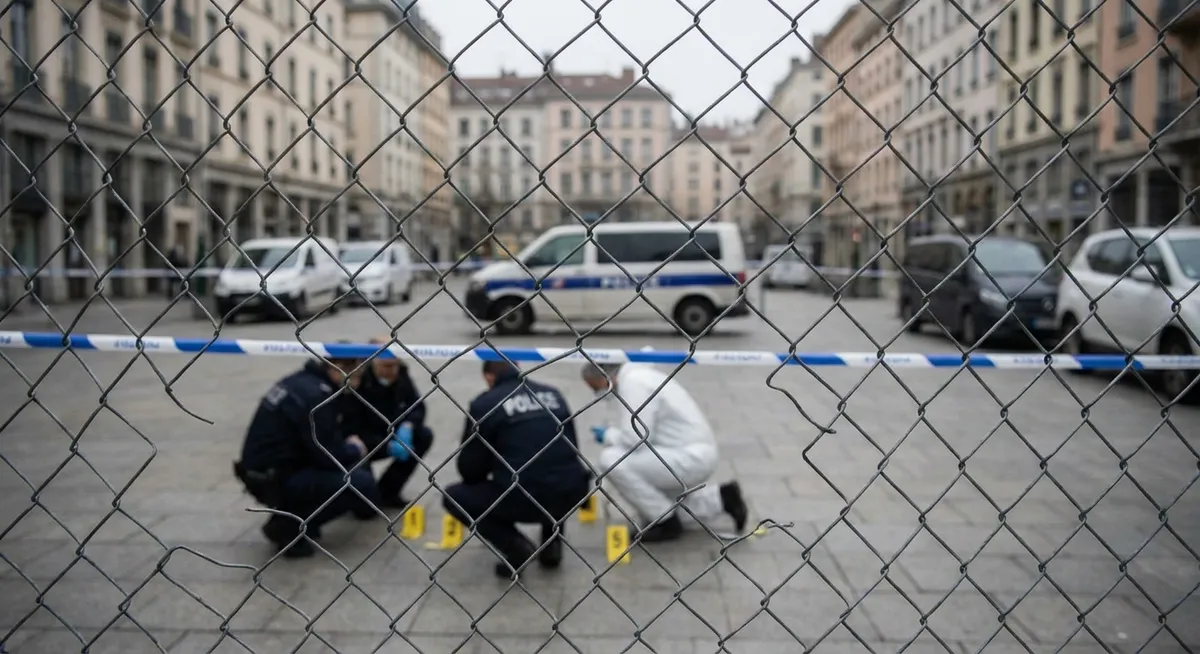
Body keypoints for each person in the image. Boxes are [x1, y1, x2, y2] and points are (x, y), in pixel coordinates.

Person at [442, 361, 591, 578]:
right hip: (573, 491)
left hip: (523, 497)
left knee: (454, 496)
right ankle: (552, 545)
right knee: (551, 468)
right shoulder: (553, 394)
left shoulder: (485, 404)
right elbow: (570, 448)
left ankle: (515, 546)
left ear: (489, 377)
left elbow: (470, 470)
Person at [581, 361, 748, 543]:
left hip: (687, 457)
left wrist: (607, 435)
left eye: (598, 388)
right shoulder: (641, 376)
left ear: (607, 377)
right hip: (686, 453)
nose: (599, 395)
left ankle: (664, 522)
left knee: (611, 460)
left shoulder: (633, 384)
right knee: (663, 504)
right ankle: (722, 498)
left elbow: (636, 438)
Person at [234, 353, 382, 559]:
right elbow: (327, 455)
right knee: (359, 482)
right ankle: (289, 525)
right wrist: (354, 449)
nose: (357, 383)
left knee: (353, 469)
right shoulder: (317, 395)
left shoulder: (302, 380)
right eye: (355, 376)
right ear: (339, 368)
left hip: (266, 468)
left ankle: (297, 516)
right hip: (275, 476)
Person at [340, 337, 435, 508]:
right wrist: (384, 446)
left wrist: (408, 426)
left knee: (424, 435)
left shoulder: (401, 374)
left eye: (395, 364)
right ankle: (363, 496)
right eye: (386, 366)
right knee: (364, 510)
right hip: (363, 438)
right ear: (371, 363)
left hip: (393, 431)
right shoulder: (357, 381)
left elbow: (417, 406)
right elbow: (349, 428)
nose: (392, 370)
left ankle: (388, 491)